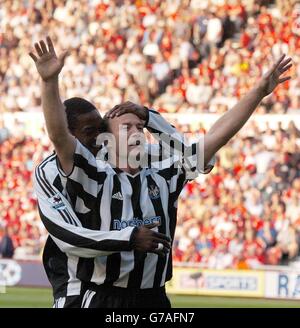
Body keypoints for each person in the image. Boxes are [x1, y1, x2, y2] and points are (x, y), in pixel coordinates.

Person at [30, 36, 292, 308]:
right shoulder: (93, 177)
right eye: (125, 127)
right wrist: (49, 82)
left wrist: (259, 92)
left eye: (139, 126)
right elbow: (60, 136)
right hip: (105, 297)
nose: (135, 132)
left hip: (155, 298)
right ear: (107, 140)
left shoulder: (165, 174)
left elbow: (216, 135)